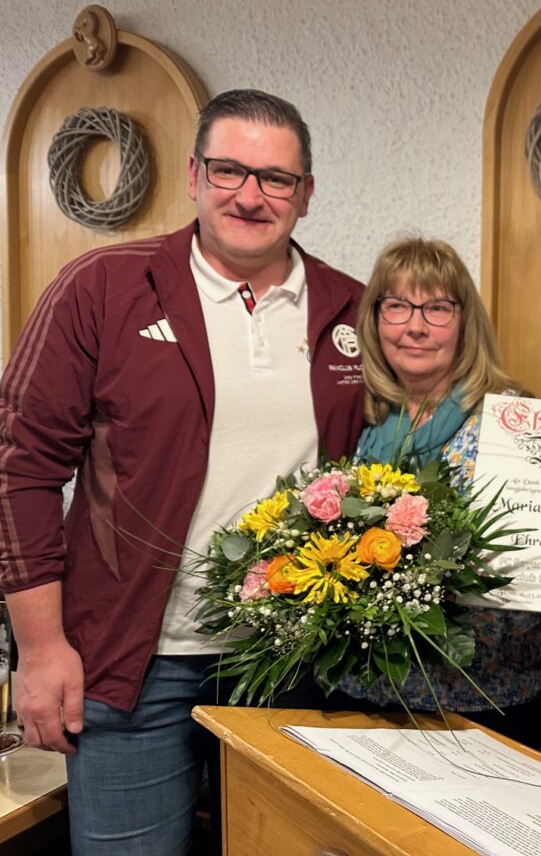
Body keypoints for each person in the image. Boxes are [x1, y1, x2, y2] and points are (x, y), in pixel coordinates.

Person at [0, 89, 365, 854]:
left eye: (277, 178)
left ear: (306, 196)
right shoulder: (100, 287)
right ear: (194, 175)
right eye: (231, 170)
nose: (251, 194)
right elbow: (18, 472)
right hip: (138, 664)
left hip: (289, 664)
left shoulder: (350, 311)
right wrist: (39, 649)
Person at [332, 237, 541, 748]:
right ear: (374, 319)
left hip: (487, 693)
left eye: (436, 307)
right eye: (397, 306)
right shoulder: (356, 415)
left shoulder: (516, 416)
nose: (415, 326)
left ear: (465, 322)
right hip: (365, 689)